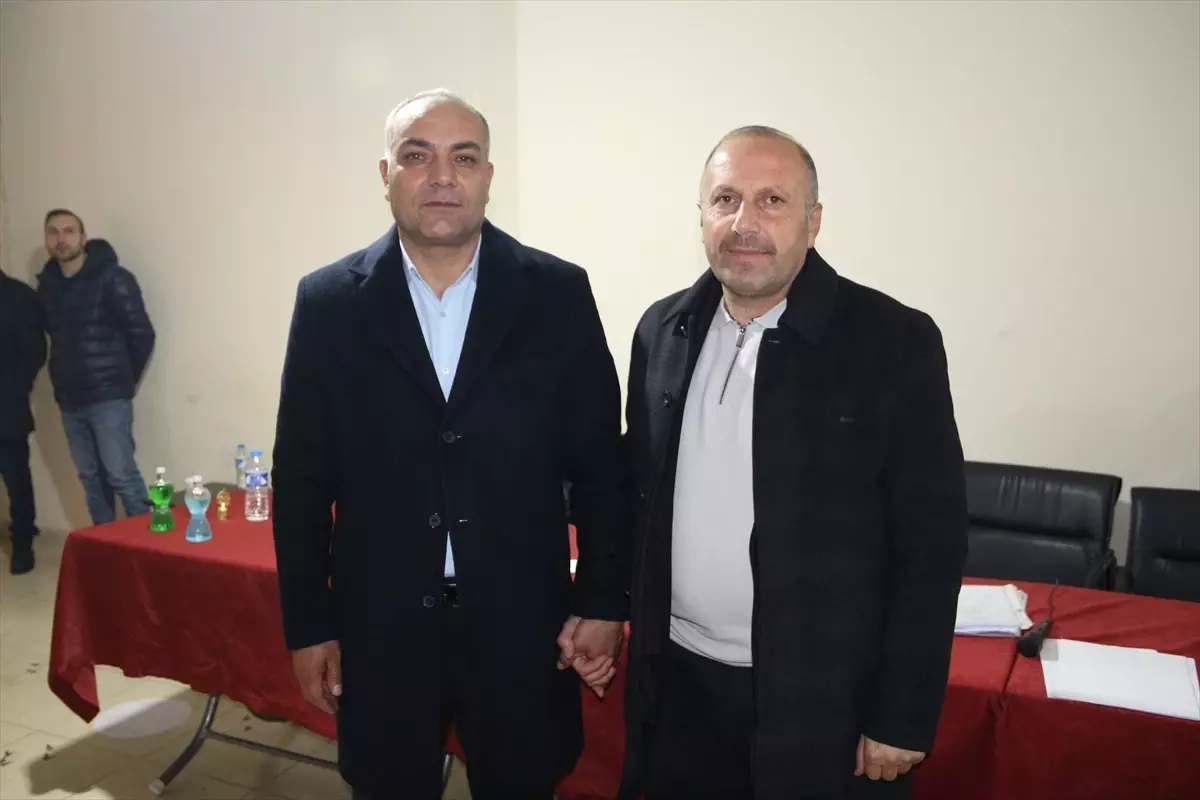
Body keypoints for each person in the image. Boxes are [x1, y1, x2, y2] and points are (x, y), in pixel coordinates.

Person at [271, 89, 628, 800]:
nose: (441, 176)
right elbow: (303, 480)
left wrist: (604, 600)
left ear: (488, 176)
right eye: (417, 156)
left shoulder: (556, 293)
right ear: (386, 174)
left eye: (463, 158)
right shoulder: (329, 303)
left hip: (523, 626)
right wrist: (308, 626)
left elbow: (600, 467)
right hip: (381, 629)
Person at [619, 126, 968, 799]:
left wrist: (901, 713)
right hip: (676, 686)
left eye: (772, 200)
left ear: (814, 222)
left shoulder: (893, 342)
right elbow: (638, 493)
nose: (744, 223)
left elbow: (931, 545)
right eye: (726, 199)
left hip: (822, 703)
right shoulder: (662, 330)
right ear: (701, 216)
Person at [37, 210, 155, 525]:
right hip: (69, 400)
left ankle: (149, 546)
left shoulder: (113, 277)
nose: (61, 239)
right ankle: (104, 546)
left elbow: (142, 334)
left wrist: (122, 380)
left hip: (108, 398)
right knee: (90, 480)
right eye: (53, 232)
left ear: (83, 237)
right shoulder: (48, 284)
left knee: (121, 476)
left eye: (69, 231)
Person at [0, 267, 47, 574]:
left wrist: (14, 388)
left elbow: (35, 351)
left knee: (17, 481)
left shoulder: (17, 296)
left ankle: (22, 545)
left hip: (6, 407)